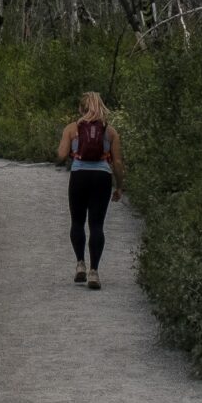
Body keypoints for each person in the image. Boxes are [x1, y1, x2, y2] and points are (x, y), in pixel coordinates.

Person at [56, 91, 124, 288]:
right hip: (102, 178)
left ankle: (80, 264)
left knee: (77, 222)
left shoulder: (71, 128)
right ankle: (94, 272)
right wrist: (119, 186)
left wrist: (68, 153)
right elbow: (118, 162)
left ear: (80, 108)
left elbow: (61, 154)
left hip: (79, 176)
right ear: (101, 107)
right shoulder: (110, 132)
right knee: (97, 225)